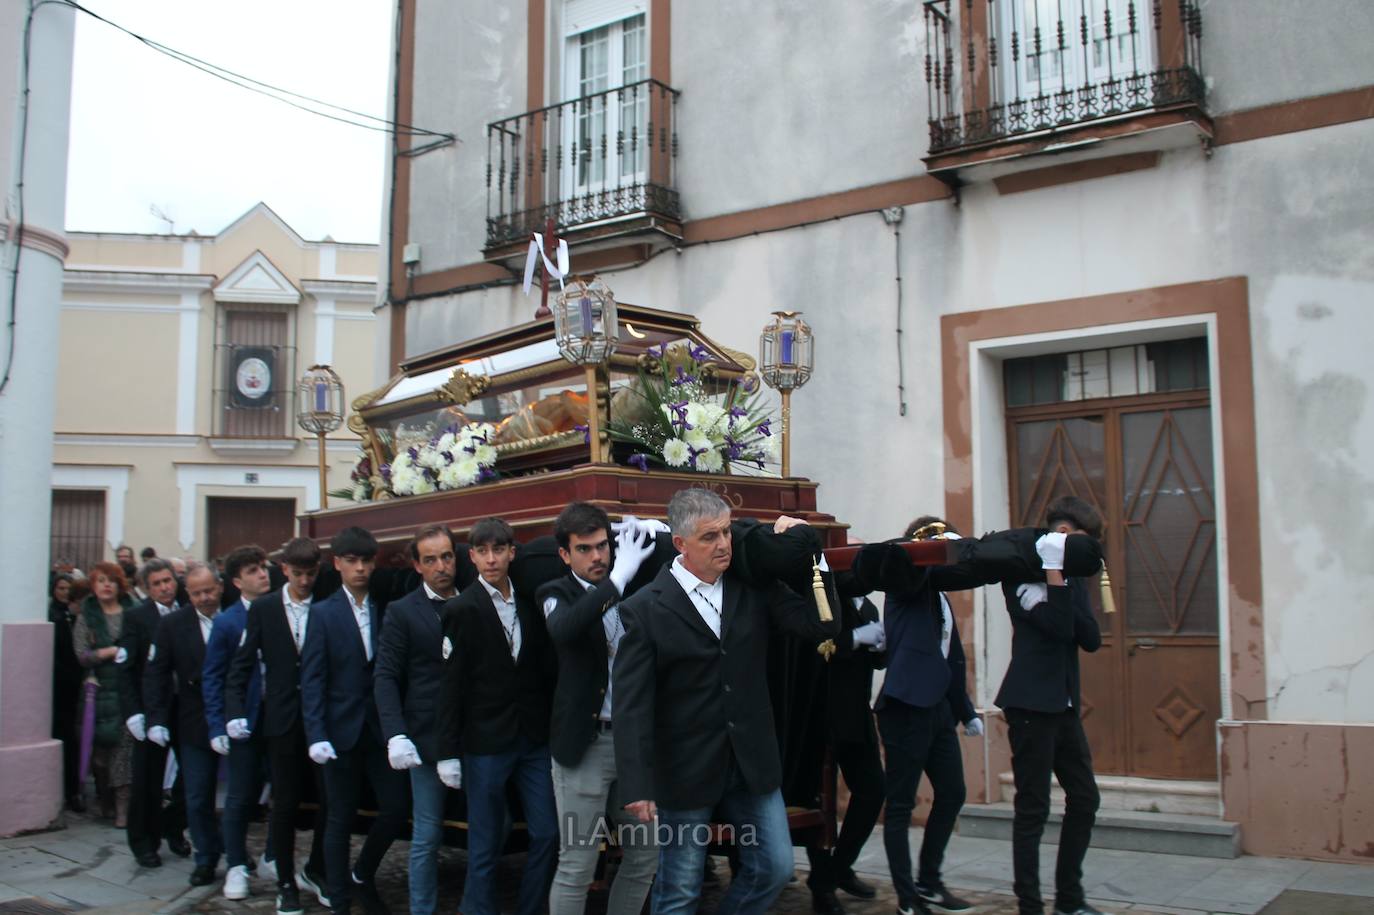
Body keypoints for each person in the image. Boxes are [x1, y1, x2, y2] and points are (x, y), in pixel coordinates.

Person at [612, 488, 840, 915]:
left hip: (752, 759)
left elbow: (819, 626)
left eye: (726, 533)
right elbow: (632, 704)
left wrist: (813, 554)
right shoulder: (644, 609)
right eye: (709, 537)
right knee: (678, 890)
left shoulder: (752, 588)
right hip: (684, 767)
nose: (723, 545)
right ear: (680, 543)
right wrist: (637, 783)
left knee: (775, 867)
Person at [538, 503, 660, 915]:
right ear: (564, 554)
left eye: (603, 546)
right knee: (577, 862)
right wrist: (618, 578)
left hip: (631, 745)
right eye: (585, 549)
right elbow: (566, 629)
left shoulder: (630, 579)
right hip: (584, 746)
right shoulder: (556, 593)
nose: (598, 557)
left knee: (646, 856)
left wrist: (658, 530)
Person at [435, 517, 558, 915]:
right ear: (471, 557)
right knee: (485, 842)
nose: (491, 559)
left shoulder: (529, 602)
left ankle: (530, 907)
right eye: (483, 552)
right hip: (485, 742)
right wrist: (447, 751)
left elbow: (541, 671)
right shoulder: (460, 608)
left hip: (532, 739)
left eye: (499, 550)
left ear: (511, 552)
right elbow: (451, 685)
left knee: (548, 832)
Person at [997, 496, 1104, 915]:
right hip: (1029, 704)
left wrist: (1067, 582)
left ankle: (1070, 899)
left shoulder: (1072, 580)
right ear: (1059, 537)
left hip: (1063, 706)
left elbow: (1091, 638)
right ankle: (1030, 905)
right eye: (1079, 541)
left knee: (1085, 798)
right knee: (1033, 808)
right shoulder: (1020, 581)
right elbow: (1061, 628)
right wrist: (1056, 576)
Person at [301, 526, 408, 915]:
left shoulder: (386, 607)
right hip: (338, 731)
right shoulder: (323, 613)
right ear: (338, 564)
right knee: (339, 818)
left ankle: (363, 872)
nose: (360, 568)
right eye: (352, 561)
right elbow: (312, 679)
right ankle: (340, 900)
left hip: (379, 729)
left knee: (396, 809)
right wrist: (316, 732)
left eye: (366, 561)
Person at [228, 537, 332, 915]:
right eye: (298, 573)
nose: (304, 581)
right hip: (283, 720)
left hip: (321, 720)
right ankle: (285, 882)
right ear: (284, 569)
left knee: (329, 802)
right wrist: (236, 710)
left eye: (310, 574)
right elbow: (241, 664)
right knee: (284, 804)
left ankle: (317, 868)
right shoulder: (265, 609)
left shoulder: (326, 604)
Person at [374, 525, 462, 915]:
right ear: (417, 565)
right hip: (426, 739)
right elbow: (386, 676)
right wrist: (396, 732)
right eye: (431, 560)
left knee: (496, 823)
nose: (441, 566)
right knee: (427, 832)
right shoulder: (403, 611)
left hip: (476, 736)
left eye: (446, 556)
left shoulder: (475, 600)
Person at [804, 571, 887, 915]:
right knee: (820, 802)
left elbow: (876, 660)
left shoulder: (867, 606)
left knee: (872, 791)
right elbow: (816, 647)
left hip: (857, 714)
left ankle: (839, 868)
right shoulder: (824, 600)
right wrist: (855, 638)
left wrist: (880, 645)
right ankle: (823, 882)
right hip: (821, 714)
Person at [145, 562, 224, 888]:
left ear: (220, 587)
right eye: (197, 593)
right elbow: (156, 673)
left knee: (242, 798)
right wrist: (155, 718)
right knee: (197, 795)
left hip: (236, 720)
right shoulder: (174, 625)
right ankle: (206, 857)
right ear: (187, 594)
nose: (204, 598)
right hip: (194, 721)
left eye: (209, 590)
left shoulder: (236, 616)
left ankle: (234, 848)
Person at [204, 544, 276, 901]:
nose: (262, 574)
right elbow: (214, 676)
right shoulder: (227, 622)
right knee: (240, 796)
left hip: (278, 717)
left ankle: (273, 855)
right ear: (236, 581)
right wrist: (218, 724)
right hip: (244, 721)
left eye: (263, 568)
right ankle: (235, 863)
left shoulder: (280, 609)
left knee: (284, 789)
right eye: (252, 571)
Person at [119, 559, 190, 866]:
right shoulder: (137, 617)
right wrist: (134, 712)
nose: (165, 587)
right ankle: (143, 841)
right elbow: (126, 668)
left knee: (191, 776)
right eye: (158, 583)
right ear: (148, 589)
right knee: (147, 778)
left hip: (185, 707)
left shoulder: (187, 610)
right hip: (152, 708)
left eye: (168, 581)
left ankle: (174, 827)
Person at [72, 562, 137, 826]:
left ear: (119, 584)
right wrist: (107, 653)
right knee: (99, 756)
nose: (106, 585)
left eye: (111, 580)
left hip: (126, 690)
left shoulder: (133, 612)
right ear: (93, 586)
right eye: (100, 581)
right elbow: (81, 654)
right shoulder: (86, 616)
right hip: (96, 694)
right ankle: (105, 799)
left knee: (124, 752)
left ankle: (123, 810)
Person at [49, 574, 85, 813]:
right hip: (62, 687)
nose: (63, 592)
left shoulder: (77, 618)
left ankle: (74, 789)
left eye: (67, 588)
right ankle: (67, 790)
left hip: (75, 687)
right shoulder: (54, 616)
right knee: (65, 735)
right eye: (60, 588)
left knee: (74, 738)